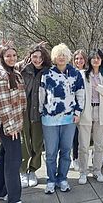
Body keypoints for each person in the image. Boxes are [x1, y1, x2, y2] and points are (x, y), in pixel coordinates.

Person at [39, 43, 84, 194]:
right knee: (51, 152)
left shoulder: (75, 74)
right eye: (59, 54)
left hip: (69, 119)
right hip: (49, 120)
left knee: (66, 151)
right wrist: (41, 112)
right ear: (54, 57)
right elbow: (41, 95)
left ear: (68, 56)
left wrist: (78, 112)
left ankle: (62, 179)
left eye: (64, 54)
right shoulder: (47, 74)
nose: (62, 57)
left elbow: (80, 94)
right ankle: (51, 180)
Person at [0, 45, 26, 203]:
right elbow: (2, 104)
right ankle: (14, 197)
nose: (12, 58)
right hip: (8, 126)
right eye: (8, 56)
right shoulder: (0, 75)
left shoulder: (14, 72)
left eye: (14, 55)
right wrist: (11, 127)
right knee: (14, 160)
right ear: (1, 58)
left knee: (5, 156)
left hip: (16, 123)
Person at [17, 44, 51, 188]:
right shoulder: (22, 69)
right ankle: (23, 170)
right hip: (24, 108)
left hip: (40, 109)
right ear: (30, 56)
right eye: (35, 56)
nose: (37, 60)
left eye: (40, 57)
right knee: (24, 141)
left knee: (37, 142)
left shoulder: (48, 71)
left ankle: (33, 170)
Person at [78, 49, 103, 184]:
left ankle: (97, 170)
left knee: (99, 144)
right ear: (89, 60)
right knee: (84, 145)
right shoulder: (82, 74)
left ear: (101, 60)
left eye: (98, 58)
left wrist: (99, 88)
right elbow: (78, 93)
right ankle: (83, 172)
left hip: (101, 111)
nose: (96, 60)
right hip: (86, 110)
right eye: (93, 58)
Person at [71, 49, 87, 171]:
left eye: (81, 58)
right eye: (76, 58)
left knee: (83, 137)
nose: (79, 61)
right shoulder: (70, 72)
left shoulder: (88, 73)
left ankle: (83, 159)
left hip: (86, 108)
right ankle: (74, 158)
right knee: (74, 136)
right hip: (72, 109)